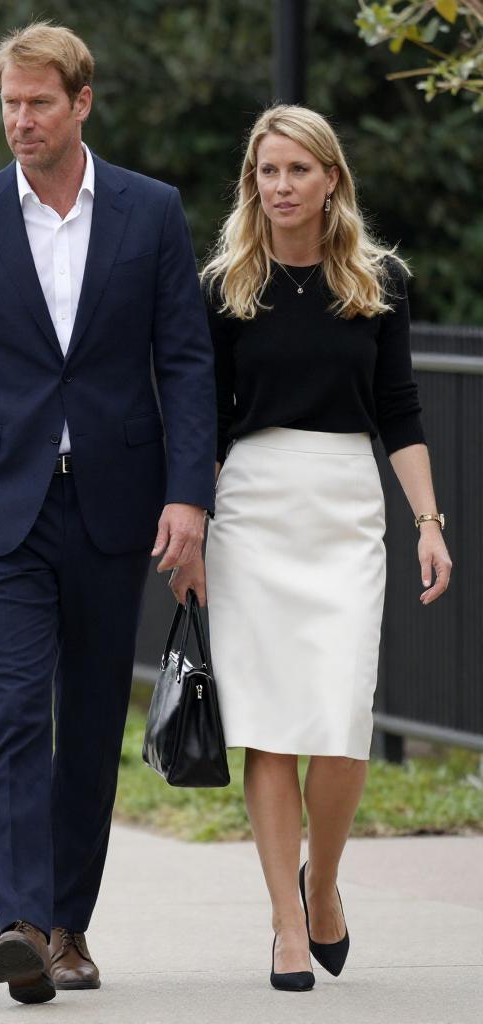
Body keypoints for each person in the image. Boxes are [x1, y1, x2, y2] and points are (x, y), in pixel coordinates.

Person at [0, 22, 216, 1003]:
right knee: (11, 713)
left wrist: (189, 495)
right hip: (2, 510)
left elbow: (185, 361)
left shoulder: (149, 211)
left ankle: (71, 924)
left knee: (87, 721)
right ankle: (24, 925)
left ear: (81, 103)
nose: (21, 120)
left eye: (39, 102)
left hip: (115, 505)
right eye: (10, 102)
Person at [172, 105, 453, 991]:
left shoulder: (379, 280)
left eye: (299, 169)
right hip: (252, 510)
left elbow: (399, 408)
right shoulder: (226, 285)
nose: (282, 186)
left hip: (345, 509)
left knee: (341, 723)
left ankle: (322, 882)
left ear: (332, 178)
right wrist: (191, 529)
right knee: (268, 726)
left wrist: (429, 523)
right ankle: (287, 926)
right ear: (252, 182)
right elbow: (207, 420)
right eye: (268, 171)